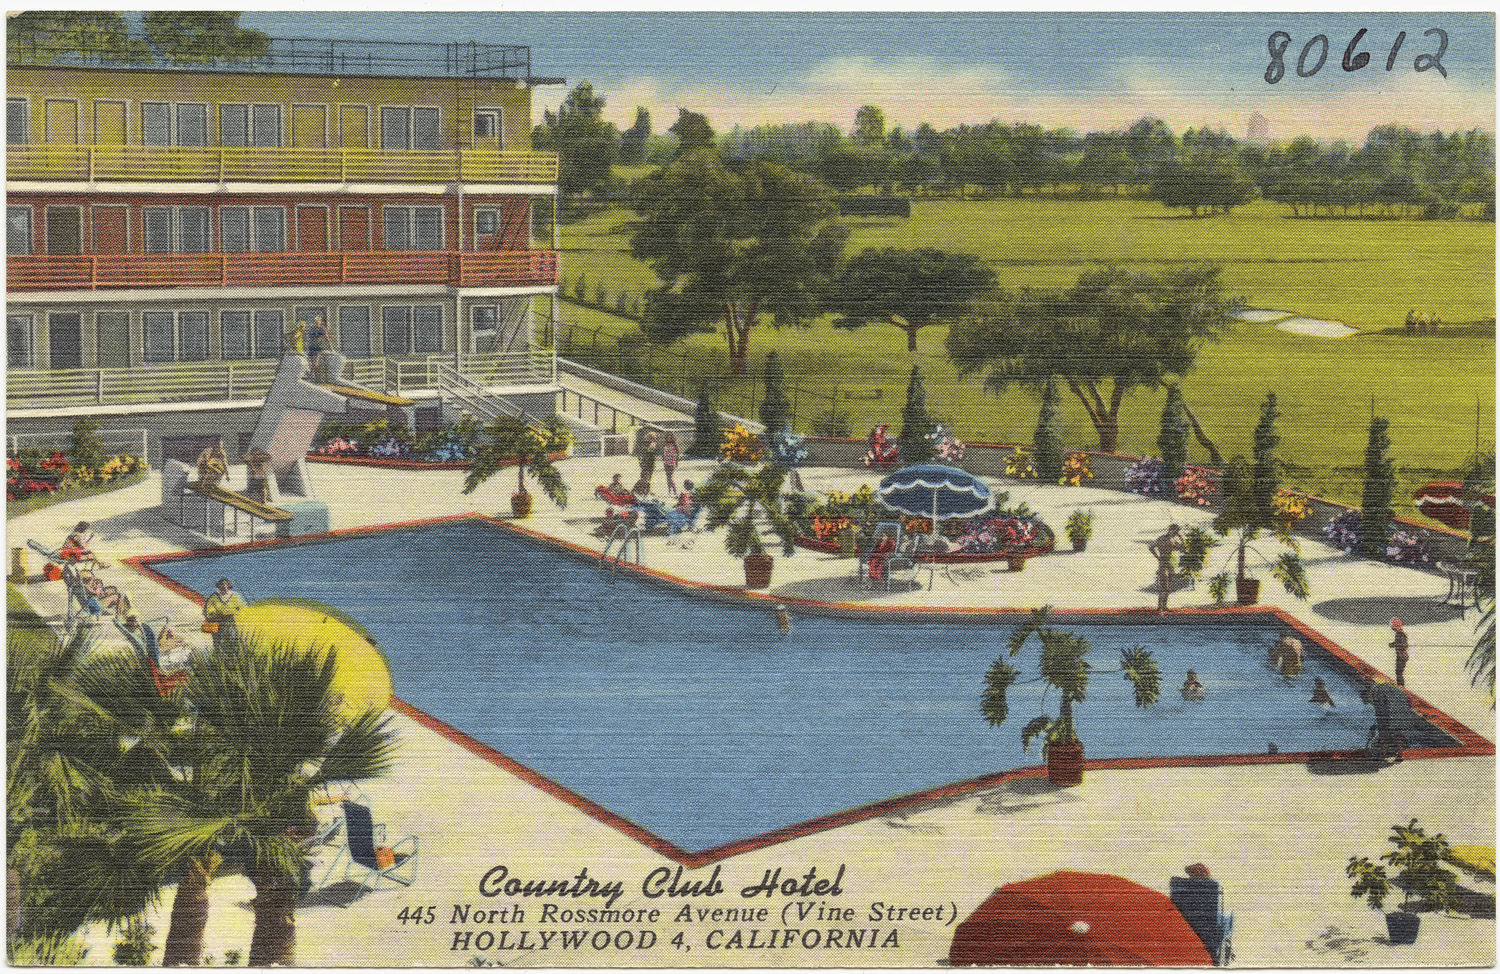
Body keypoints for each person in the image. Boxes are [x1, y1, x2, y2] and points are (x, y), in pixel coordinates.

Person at [1148, 524, 1186, 612]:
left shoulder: (1175, 539)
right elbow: (1151, 547)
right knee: (1163, 586)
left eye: (1177, 532)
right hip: (1163, 563)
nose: (1176, 533)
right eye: (1175, 531)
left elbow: (1184, 549)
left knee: (1169, 586)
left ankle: (1164, 606)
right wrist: (1158, 557)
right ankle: (1160, 607)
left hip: (1172, 564)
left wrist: (1181, 537)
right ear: (1170, 530)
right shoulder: (1162, 538)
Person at [203, 577, 246, 649]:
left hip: (230, 619)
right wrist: (213, 613)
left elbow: (241, 607)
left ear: (229, 586)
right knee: (218, 641)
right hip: (218, 620)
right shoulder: (214, 597)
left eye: (226, 585)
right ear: (219, 587)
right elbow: (209, 608)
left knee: (233, 638)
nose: (224, 587)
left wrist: (237, 614)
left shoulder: (234, 596)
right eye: (221, 585)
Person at [1390, 617, 1409, 686]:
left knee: (1399, 672)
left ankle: (1401, 686)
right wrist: (1393, 644)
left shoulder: (1400, 634)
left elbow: (1403, 644)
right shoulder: (1399, 633)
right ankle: (1400, 685)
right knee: (1398, 672)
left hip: (1402, 656)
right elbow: (1397, 642)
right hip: (1401, 656)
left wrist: (1396, 645)